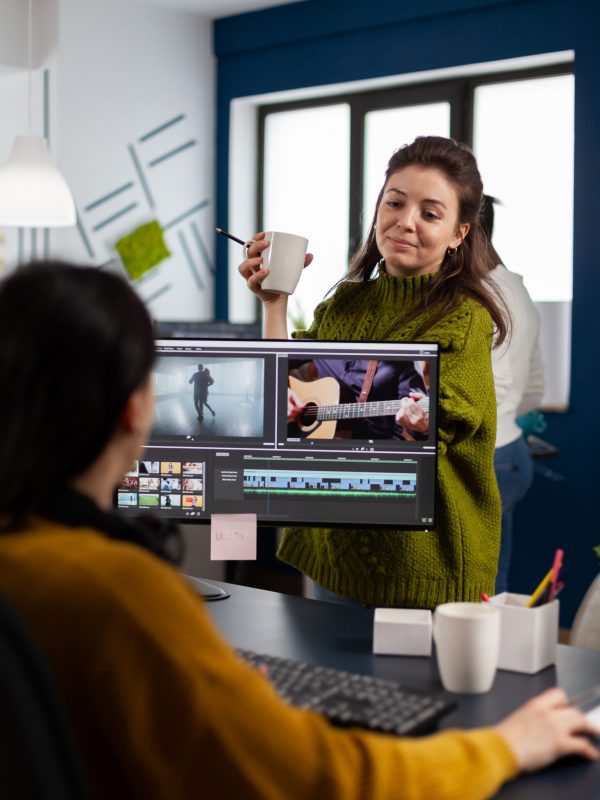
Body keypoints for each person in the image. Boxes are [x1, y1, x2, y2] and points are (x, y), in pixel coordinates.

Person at [0, 260, 597, 799]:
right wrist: (506, 745)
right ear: (136, 410)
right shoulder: (123, 593)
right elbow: (331, 779)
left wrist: (223, 698)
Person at [240, 135, 508, 608]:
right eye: (395, 203)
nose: (405, 222)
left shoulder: (464, 318)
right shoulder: (345, 302)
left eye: (430, 213)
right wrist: (274, 303)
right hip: (328, 552)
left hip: (418, 568)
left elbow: (434, 429)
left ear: (459, 234)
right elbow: (282, 386)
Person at [480, 195, 545, 594]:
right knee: (493, 586)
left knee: (476, 590)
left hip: (489, 458)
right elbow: (535, 386)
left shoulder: (480, 294)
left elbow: (491, 388)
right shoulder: (517, 289)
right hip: (515, 454)